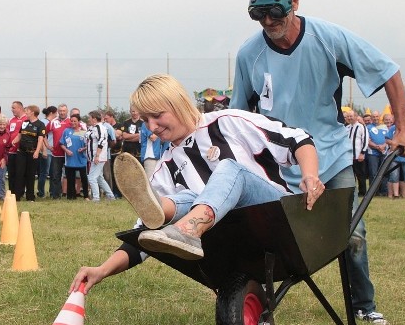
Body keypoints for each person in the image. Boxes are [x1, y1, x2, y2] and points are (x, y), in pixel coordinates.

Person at [229, 0, 405, 325]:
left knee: (352, 234)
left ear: (294, 3)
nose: (268, 21)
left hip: (331, 156)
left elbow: (388, 71)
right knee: (268, 237)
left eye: (276, 11)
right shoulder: (249, 55)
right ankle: (259, 305)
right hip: (280, 166)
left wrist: (403, 128)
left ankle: (363, 305)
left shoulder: (328, 38)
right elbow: (239, 116)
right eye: (259, 14)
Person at [70, 74, 324, 290]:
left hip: (276, 218)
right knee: (189, 198)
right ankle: (167, 212)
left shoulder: (227, 122)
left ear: (178, 103)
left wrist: (310, 175)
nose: (152, 127)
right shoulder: (164, 168)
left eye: (157, 115)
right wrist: (102, 270)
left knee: (228, 170)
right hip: (233, 241)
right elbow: (142, 238)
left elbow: (297, 140)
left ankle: (188, 227)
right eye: (146, 120)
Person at [11, 105, 45, 202]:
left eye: (27, 111)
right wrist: (14, 141)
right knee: (19, 173)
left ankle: (30, 196)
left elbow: (40, 139)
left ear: (33, 113)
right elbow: (19, 135)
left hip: (32, 152)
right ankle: (17, 196)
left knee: (30, 175)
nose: (26, 113)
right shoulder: (25, 123)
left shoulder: (40, 125)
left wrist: (37, 151)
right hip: (21, 152)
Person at [85, 110, 115, 202]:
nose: (88, 119)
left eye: (90, 117)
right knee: (99, 177)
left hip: (98, 156)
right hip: (93, 156)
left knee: (92, 177)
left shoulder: (100, 128)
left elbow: (101, 142)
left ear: (94, 119)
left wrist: (97, 155)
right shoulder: (92, 127)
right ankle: (110, 195)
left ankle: (96, 198)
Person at [60, 113, 89, 200]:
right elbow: (61, 143)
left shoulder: (84, 132)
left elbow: (88, 145)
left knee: (83, 178)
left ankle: (86, 196)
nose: (73, 123)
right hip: (70, 160)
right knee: (70, 178)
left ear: (79, 121)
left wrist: (83, 149)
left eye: (75, 121)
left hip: (81, 159)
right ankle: (70, 196)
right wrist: (67, 150)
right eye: (71, 121)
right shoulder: (66, 131)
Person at [45, 104, 70, 199]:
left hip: (69, 154)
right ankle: (56, 195)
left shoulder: (71, 121)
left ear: (67, 111)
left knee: (70, 176)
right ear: (58, 112)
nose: (62, 112)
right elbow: (43, 133)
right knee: (55, 175)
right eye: (60, 111)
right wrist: (47, 145)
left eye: (64, 110)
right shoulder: (53, 122)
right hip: (56, 154)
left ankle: (70, 195)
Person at [7, 101, 28, 195]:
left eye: (13, 108)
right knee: (11, 173)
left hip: (22, 152)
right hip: (11, 151)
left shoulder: (27, 119)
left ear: (20, 108)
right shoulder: (11, 120)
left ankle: (20, 192)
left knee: (21, 173)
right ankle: (11, 192)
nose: (12, 110)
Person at [346, 110, 368, 196]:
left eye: (351, 116)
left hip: (358, 155)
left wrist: (362, 153)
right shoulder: (347, 128)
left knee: (360, 175)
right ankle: (352, 192)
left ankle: (362, 192)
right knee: (350, 176)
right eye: (348, 116)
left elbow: (365, 140)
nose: (349, 118)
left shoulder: (361, 127)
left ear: (356, 116)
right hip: (349, 156)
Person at [38, 106, 57, 198]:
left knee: (53, 173)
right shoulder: (44, 122)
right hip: (46, 152)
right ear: (52, 113)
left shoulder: (52, 122)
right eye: (56, 113)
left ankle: (52, 192)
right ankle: (41, 192)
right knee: (44, 173)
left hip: (53, 152)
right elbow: (42, 136)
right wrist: (46, 148)